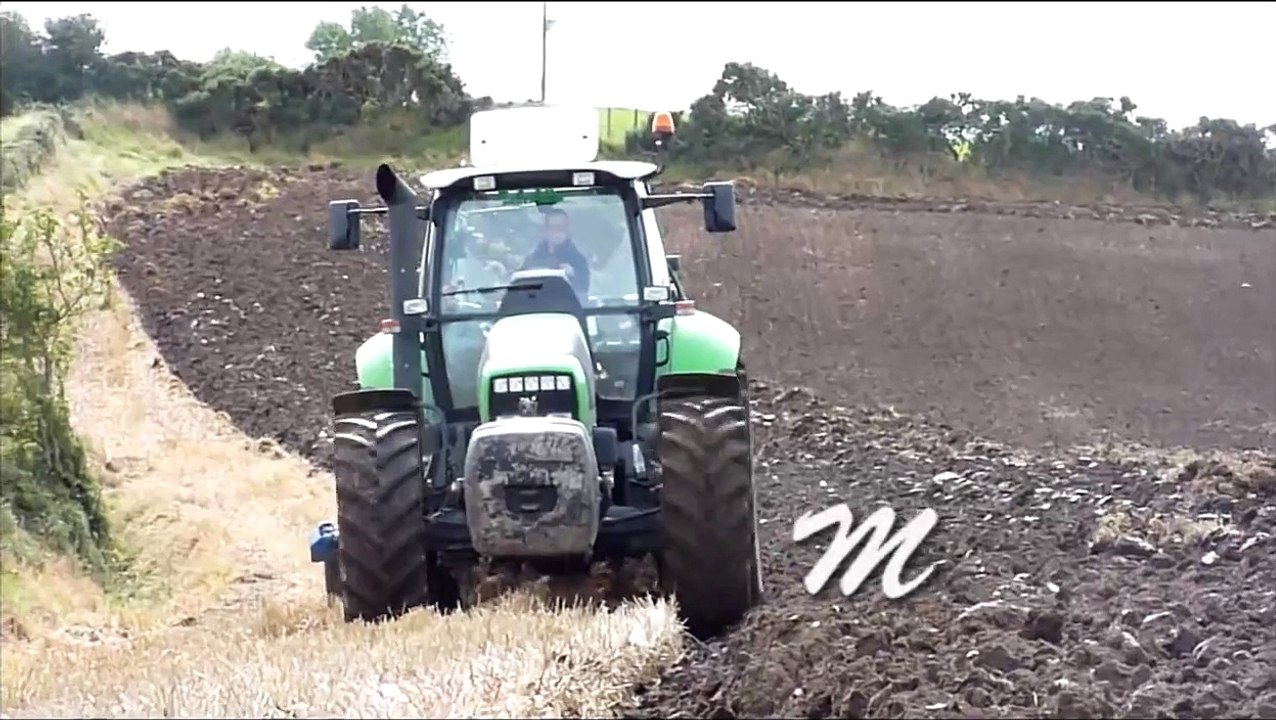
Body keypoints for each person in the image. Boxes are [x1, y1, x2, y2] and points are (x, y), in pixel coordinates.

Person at [519, 207, 590, 295]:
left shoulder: (578, 260)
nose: (557, 232)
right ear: (546, 230)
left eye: (561, 227)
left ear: (567, 230)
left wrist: (573, 274)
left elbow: (584, 290)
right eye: (553, 227)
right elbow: (520, 288)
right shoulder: (532, 259)